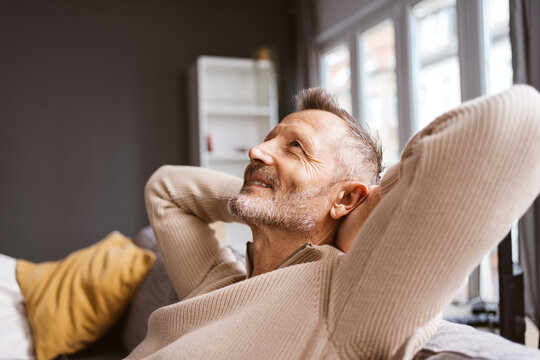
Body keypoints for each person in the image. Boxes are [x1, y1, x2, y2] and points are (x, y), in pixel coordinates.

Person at [127, 86, 540, 359]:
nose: (257, 149)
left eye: (295, 147)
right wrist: (263, 197)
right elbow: (167, 188)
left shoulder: (346, 298)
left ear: (346, 198)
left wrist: (369, 208)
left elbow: (521, 123)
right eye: (270, 137)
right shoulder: (218, 281)